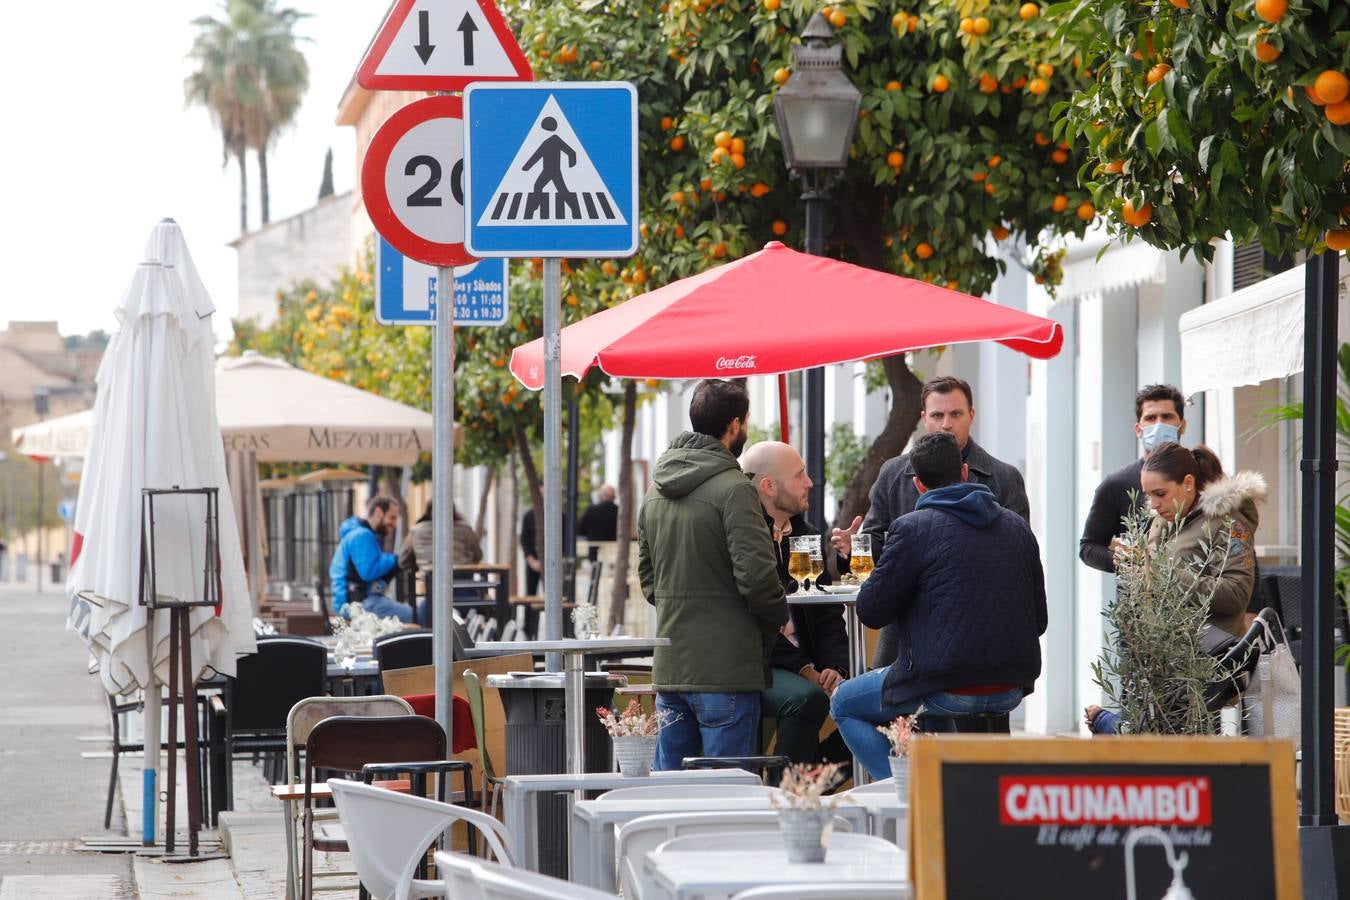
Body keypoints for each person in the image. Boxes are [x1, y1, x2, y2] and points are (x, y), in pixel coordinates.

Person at [830, 433, 1047, 779]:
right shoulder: (1017, 527)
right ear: (964, 473)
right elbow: (1040, 621)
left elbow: (871, 612)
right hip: (1012, 684)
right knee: (934, 696)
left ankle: (913, 795)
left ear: (917, 484)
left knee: (843, 703)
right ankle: (946, 796)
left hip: (945, 684)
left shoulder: (913, 529)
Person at [638, 379, 788, 770]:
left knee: (671, 799)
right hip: (727, 671)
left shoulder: (654, 493)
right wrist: (776, 620)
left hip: (671, 668)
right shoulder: (735, 490)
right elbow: (758, 580)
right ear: (735, 425)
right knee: (727, 799)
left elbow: (648, 581)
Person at [832, 375, 1029, 669]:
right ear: (924, 418)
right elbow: (874, 540)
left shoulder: (1003, 477)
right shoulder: (894, 473)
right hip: (905, 636)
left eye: (956, 414)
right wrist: (853, 549)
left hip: (981, 635)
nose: (946, 423)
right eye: (937, 415)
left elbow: (1019, 559)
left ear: (971, 416)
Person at [1085, 442, 1265, 734]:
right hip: (1158, 663)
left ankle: (1109, 723)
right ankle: (1112, 724)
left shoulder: (1229, 523)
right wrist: (1133, 563)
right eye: (1148, 495)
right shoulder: (1162, 521)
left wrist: (1160, 572)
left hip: (1203, 664)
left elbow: (1235, 595)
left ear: (1188, 484)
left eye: (1160, 494)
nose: (1154, 504)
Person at [741, 441, 851, 766]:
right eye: (799, 475)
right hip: (762, 663)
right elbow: (755, 619)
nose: (810, 483)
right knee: (808, 700)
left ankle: (818, 770)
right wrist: (806, 670)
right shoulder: (744, 536)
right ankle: (786, 792)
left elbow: (827, 612)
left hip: (813, 665)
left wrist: (836, 667)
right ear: (768, 486)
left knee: (882, 694)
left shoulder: (808, 536)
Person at [1079, 384, 1187, 573]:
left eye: (1167, 417)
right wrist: (1128, 563)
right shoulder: (1116, 484)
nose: (1159, 424)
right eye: (1151, 418)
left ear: (1182, 425)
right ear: (1138, 429)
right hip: (1138, 600)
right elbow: (1089, 547)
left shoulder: (1200, 476)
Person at [328, 495, 410, 622]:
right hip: (357, 604)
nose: (394, 524)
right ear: (378, 512)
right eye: (392, 518)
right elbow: (369, 571)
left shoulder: (359, 534)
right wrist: (396, 560)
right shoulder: (362, 535)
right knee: (419, 615)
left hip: (354, 602)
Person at [398, 500, 483, 573]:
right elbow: (478, 555)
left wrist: (417, 565)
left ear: (428, 513)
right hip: (463, 578)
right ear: (453, 512)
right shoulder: (465, 529)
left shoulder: (415, 531)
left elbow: (403, 561)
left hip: (430, 580)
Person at [520, 507, 541, 595]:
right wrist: (532, 561)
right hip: (532, 561)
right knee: (530, 593)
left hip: (553, 563)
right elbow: (524, 540)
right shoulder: (528, 516)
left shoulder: (559, 516)